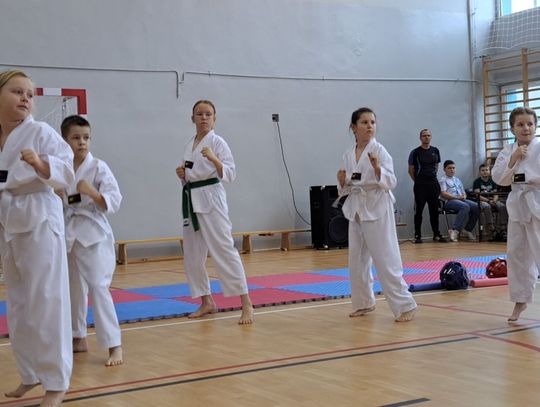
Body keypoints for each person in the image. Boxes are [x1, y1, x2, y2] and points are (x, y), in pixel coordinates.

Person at [0, 69, 74, 406]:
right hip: (9, 222)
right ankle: (30, 373)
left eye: (30, 94)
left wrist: (42, 165)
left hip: (41, 219)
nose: (26, 98)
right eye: (17, 92)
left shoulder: (40, 132)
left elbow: (67, 169)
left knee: (46, 300)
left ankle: (56, 383)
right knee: (18, 303)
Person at [176, 100, 254, 324]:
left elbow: (230, 173)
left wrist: (214, 158)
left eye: (208, 114)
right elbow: (190, 173)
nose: (204, 117)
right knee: (192, 254)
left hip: (212, 198)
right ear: (192, 118)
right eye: (199, 114)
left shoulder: (218, 142)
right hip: (192, 198)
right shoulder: (189, 144)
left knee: (224, 249)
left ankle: (246, 303)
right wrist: (182, 175)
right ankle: (206, 301)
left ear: (214, 118)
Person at [337, 107, 417, 322]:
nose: (370, 126)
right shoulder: (348, 154)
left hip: (377, 207)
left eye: (372, 122)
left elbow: (391, 182)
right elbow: (347, 188)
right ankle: (363, 302)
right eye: (364, 122)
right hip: (356, 209)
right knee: (357, 260)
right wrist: (341, 182)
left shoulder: (380, 151)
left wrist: (378, 168)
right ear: (353, 127)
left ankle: (405, 305)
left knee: (385, 257)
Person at [59, 115, 123, 367]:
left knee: (98, 286)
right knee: (73, 288)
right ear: (65, 141)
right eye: (76, 138)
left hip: (94, 234)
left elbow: (114, 200)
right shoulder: (61, 166)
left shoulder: (98, 166)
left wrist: (93, 193)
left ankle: (114, 345)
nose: (82, 142)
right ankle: (78, 336)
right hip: (69, 234)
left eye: (86, 138)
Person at [492, 106, 540, 322]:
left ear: (536, 126)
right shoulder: (507, 151)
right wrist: (513, 159)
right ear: (512, 129)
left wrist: (528, 178)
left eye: (530, 124)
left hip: (537, 203)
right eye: (520, 124)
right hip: (518, 208)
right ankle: (520, 300)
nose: (526, 128)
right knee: (517, 255)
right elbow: (499, 179)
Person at [408, 129, 447, 243]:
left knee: (434, 210)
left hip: (433, 184)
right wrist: (418, 181)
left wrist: (432, 177)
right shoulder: (415, 152)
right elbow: (410, 170)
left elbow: (436, 166)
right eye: (424, 135)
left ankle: (436, 234)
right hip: (420, 185)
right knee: (418, 211)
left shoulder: (435, 150)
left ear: (431, 137)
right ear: (420, 138)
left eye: (428, 135)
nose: (426, 137)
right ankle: (418, 235)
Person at [439, 160, 479, 242]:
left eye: (453, 168)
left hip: (461, 200)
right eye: (449, 168)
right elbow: (443, 194)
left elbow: (463, 192)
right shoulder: (442, 180)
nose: (452, 170)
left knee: (476, 206)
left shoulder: (457, 180)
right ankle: (455, 230)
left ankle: (467, 230)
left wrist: (464, 196)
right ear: (444, 169)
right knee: (465, 206)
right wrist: (458, 198)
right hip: (449, 201)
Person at [472, 163, 508, 241]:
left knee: (502, 206)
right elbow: (478, 195)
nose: (485, 172)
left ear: (489, 171)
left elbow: (496, 194)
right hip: (482, 200)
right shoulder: (477, 182)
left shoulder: (493, 181)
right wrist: (488, 201)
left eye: (487, 170)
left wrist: (494, 200)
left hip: (492, 199)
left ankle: (503, 228)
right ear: (479, 172)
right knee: (486, 206)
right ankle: (491, 228)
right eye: (483, 170)